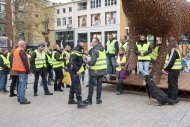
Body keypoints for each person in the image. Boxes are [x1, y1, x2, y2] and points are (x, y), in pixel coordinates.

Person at [83, 38, 107, 105]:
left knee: (91, 85)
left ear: (96, 42)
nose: (91, 43)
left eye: (93, 42)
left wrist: (87, 62)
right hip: (102, 70)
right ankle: (98, 99)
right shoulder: (102, 49)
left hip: (95, 71)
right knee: (99, 85)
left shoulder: (95, 51)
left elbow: (92, 62)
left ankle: (89, 100)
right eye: (92, 42)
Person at [68, 39, 88, 108]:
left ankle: (70, 100)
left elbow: (78, 60)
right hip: (74, 70)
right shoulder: (76, 49)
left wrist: (83, 61)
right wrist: (77, 70)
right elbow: (72, 61)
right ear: (79, 43)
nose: (84, 44)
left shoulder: (80, 49)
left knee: (73, 85)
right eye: (83, 42)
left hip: (74, 69)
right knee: (77, 86)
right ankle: (79, 102)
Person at [164, 37, 182, 103]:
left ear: (169, 43)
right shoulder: (175, 50)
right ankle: (169, 97)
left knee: (173, 84)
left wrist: (165, 69)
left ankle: (173, 99)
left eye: (166, 42)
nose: (166, 43)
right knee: (171, 83)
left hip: (174, 70)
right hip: (174, 70)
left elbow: (171, 61)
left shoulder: (173, 50)